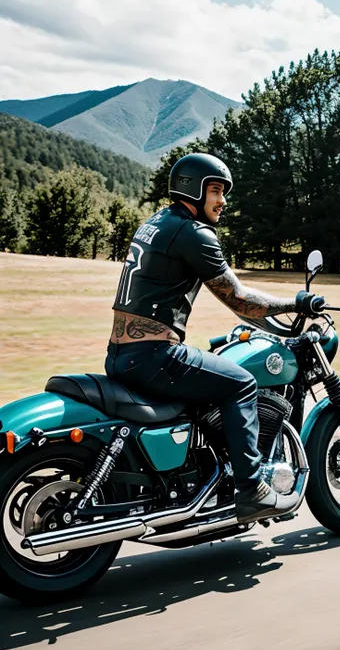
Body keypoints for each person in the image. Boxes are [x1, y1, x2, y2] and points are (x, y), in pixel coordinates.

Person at [105, 153, 321, 523]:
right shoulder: (194, 233)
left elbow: (234, 303)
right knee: (241, 383)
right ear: (193, 189)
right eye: (217, 190)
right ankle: (253, 490)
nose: (223, 201)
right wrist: (296, 302)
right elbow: (237, 297)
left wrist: (268, 321)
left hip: (122, 353)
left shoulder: (157, 223)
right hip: (156, 355)